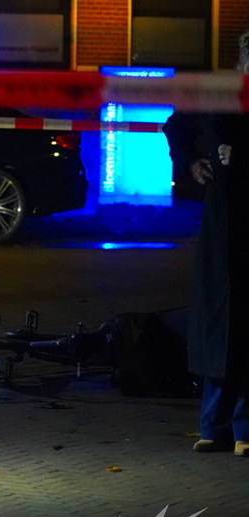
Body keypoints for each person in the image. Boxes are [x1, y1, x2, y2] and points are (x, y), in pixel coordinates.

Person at [163, 32, 249, 458]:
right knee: (220, 321)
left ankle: (244, 428)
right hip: (223, 222)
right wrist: (194, 161)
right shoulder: (219, 94)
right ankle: (213, 426)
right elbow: (178, 125)